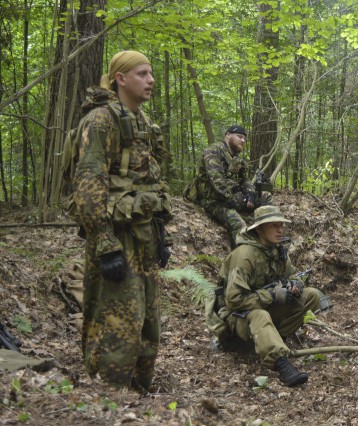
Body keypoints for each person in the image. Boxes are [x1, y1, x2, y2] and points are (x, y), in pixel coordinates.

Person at [72, 50, 172, 390]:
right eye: (142, 73)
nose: (151, 80)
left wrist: (162, 235)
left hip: (145, 235)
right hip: (116, 236)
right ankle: (108, 392)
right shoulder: (100, 121)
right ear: (120, 79)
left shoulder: (142, 123)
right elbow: (88, 182)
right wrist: (104, 241)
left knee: (147, 317)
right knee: (115, 316)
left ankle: (140, 388)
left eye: (151, 73)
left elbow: (151, 182)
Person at [205, 205, 321, 387]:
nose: (280, 229)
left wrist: (295, 284)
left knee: (311, 296)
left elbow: (293, 275)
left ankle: (271, 339)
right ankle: (281, 363)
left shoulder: (277, 251)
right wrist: (272, 295)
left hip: (261, 309)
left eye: (281, 225)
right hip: (235, 317)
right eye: (273, 225)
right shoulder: (244, 256)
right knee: (260, 314)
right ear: (259, 229)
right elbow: (234, 300)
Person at [184, 125, 272, 244]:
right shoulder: (213, 151)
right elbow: (217, 181)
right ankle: (243, 253)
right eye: (239, 137)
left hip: (231, 196)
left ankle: (268, 229)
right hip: (212, 200)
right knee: (239, 224)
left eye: (244, 139)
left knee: (266, 196)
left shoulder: (236, 158)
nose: (243, 141)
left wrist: (250, 194)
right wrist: (235, 200)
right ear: (228, 135)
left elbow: (245, 180)